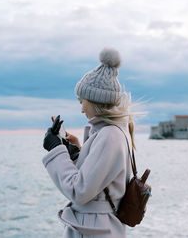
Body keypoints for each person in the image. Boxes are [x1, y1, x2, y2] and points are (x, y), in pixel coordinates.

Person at [42, 48, 136, 237]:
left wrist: (56, 149)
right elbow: (99, 179)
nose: (82, 109)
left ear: (95, 101)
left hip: (94, 229)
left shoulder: (109, 135)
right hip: (101, 227)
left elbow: (80, 191)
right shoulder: (114, 131)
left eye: (81, 102)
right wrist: (76, 153)